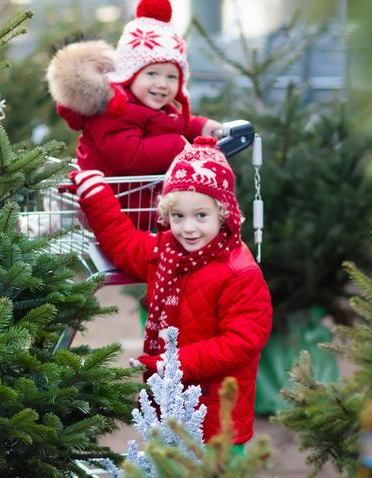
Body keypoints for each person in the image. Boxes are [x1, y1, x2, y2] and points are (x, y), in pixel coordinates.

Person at [70, 137, 272, 447]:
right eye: (178, 216)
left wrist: (173, 364)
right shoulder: (166, 252)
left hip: (217, 418)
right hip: (167, 407)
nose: (188, 228)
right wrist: (96, 196)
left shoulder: (239, 271)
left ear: (223, 213)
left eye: (200, 216)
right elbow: (123, 243)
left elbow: (241, 342)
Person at [46, 0, 222, 176]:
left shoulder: (149, 104)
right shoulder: (115, 111)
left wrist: (199, 126)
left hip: (142, 197)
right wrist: (178, 146)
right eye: (152, 74)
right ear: (129, 75)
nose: (162, 84)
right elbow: (129, 158)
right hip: (113, 197)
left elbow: (168, 124)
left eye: (171, 77)